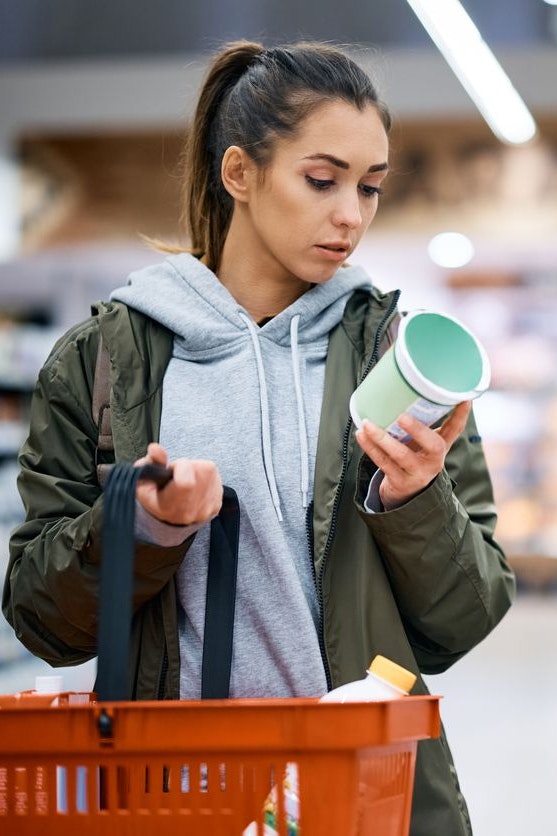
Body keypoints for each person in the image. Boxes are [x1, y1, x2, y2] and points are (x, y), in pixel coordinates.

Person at [3, 39, 515, 835]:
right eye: (321, 180)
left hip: (358, 793)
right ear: (238, 173)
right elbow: (42, 618)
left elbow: (466, 617)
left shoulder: (396, 359)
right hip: (174, 795)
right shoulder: (105, 361)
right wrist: (145, 527)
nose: (350, 214)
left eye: (369, 187)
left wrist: (413, 500)